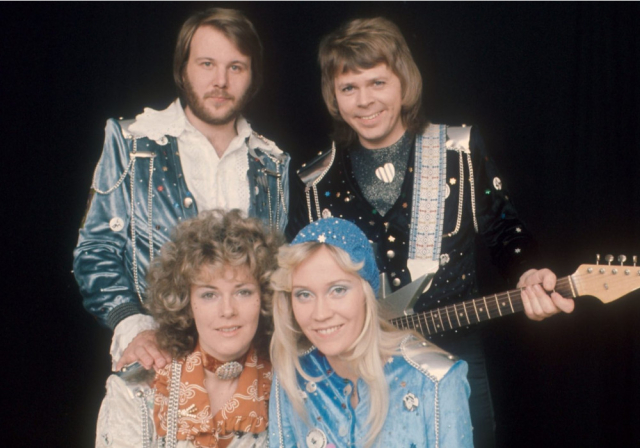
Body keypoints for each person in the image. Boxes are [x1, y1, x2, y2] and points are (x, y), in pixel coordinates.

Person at [285, 17, 575, 447]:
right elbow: (296, 279)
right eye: (349, 88)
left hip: (455, 355)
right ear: (334, 96)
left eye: (377, 82)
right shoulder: (314, 180)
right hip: (352, 367)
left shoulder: (459, 151)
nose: (364, 101)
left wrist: (528, 272)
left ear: (404, 81)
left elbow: (506, 232)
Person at [73, 8, 289, 375]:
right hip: (158, 363)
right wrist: (133, 325)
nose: (221, 81)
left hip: (253, 370)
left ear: (253, 76)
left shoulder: (272, 162)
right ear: (183, 69)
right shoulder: (134, 143)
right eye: (207, 64)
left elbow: (279, 272)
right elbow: (95, 252)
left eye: (236, 67)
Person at [269, 218, 472, 447]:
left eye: (338, 290)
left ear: (367, 293)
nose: (320, 313)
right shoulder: (292, 376)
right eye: (304, 294)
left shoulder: (435, 380)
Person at [95, 209, 281, 447]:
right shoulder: (137, 391)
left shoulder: (290, 387)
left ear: (264, 297)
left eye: (243, 292)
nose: (227, 310)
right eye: (209, 295)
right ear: (186, 301)